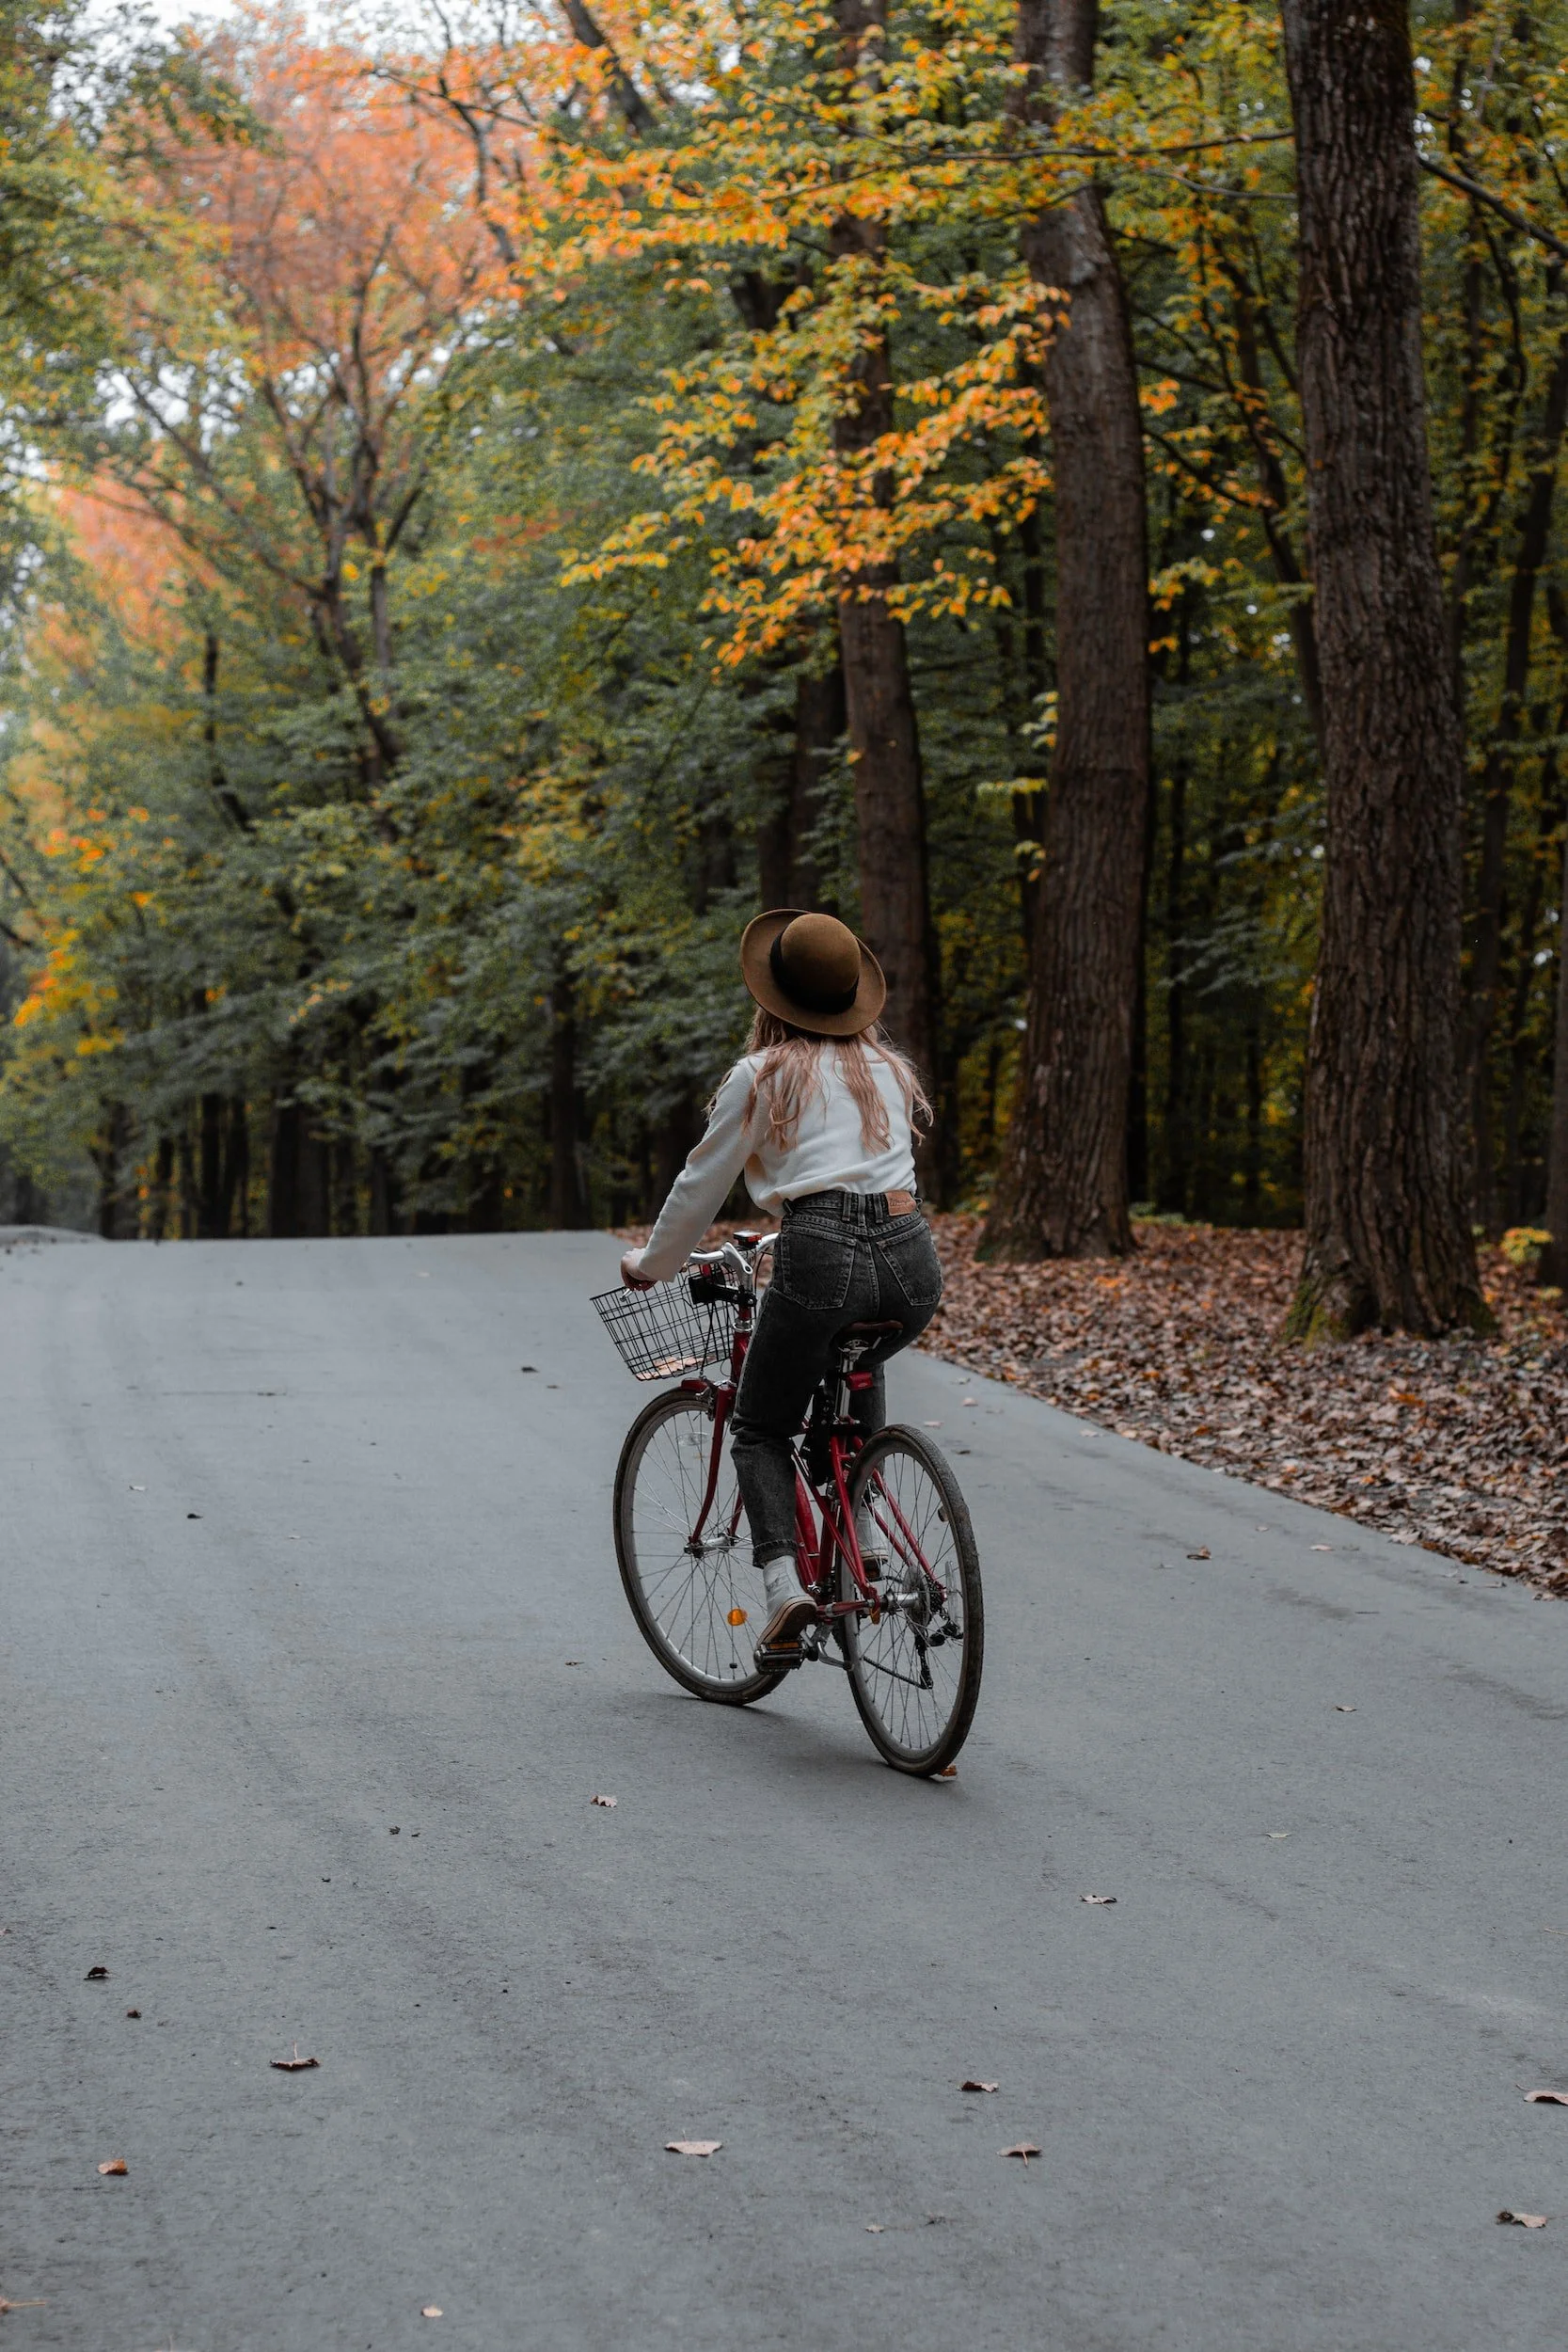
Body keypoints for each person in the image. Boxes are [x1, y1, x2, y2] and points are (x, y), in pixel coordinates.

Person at [620, 908, 943, 1663]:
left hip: (821, 1250)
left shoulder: (760, 1074)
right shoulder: (889, 1072)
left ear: (772, 997)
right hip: (911, 1257)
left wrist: (651, 1265)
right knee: (859, 1363)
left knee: (761, 1426)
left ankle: (782, 1589)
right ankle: (862, 1538)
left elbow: (702, 1182)